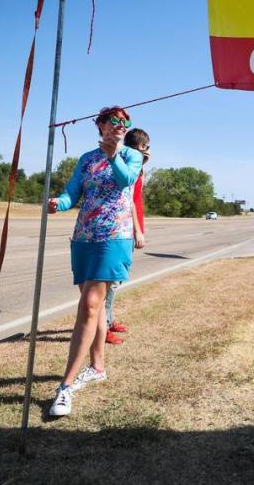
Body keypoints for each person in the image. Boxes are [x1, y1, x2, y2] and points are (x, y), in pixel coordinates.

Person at [46, 106, 143, 417]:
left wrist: (113, 154)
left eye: (125, 122)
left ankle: (65, 387)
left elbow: (126, 180)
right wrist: (57, 203)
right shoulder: (87, 159)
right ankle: (97, 367)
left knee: (89, 304)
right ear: (101, 125)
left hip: (114, 238)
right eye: (114, 120)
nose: (120, 125)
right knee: (96, 310)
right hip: (84, 238)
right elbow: (72, 193)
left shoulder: (131, 155)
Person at [103, 127, 151, 344]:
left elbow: (139, 193)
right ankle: (102, 326)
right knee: (111, 281)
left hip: (131, 227)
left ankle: (108, 319)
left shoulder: (136, 167)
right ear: (139, 146)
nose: (148, 151)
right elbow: (129, 200)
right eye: (146, 147)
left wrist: (143, 165)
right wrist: (137, 230)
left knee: (116, 280)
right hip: (125, 228)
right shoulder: (125, 167)